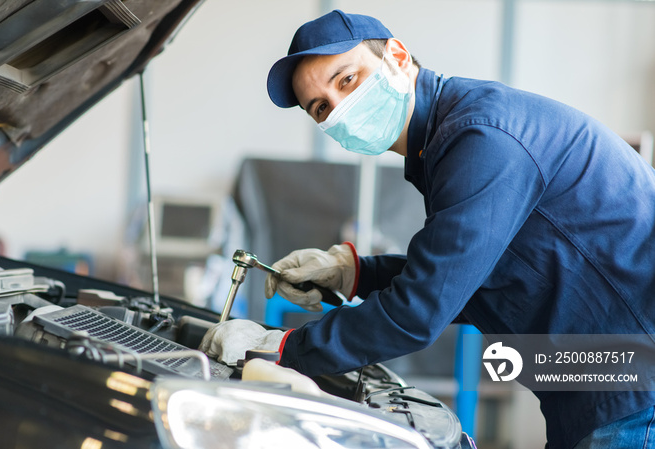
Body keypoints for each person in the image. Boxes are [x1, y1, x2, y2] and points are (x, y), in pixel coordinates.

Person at [199, 10, 655, 448]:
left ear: (397, 57)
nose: (338, 109)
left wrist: (282, 348)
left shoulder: (480, 139)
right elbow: (475, 281)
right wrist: (354, 272)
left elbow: (420, 312)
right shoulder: (441, 146)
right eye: (321, 107)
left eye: (347, 79)